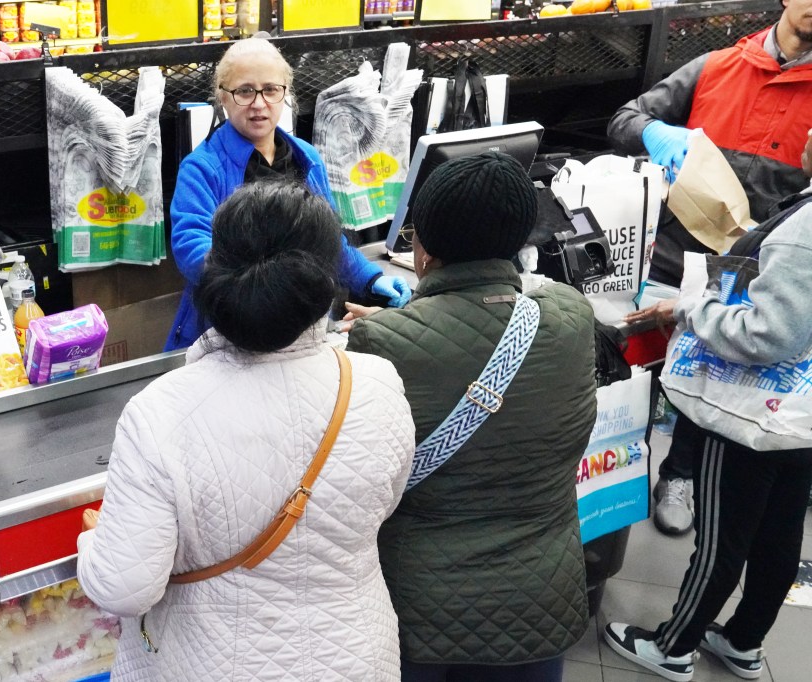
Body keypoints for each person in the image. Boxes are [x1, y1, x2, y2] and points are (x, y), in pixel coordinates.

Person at [77, 180, 415, 682]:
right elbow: (379, 506)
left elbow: (124, 589)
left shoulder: (159, 414)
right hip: (356, 661)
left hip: (210, 664)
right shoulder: (375, 383)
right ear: (323, 281)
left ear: (216, 274)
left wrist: (94, 544)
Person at [345, 153, 597, 681]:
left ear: (424, 248)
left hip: (422, 605)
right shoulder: (573, 314)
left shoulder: (381, 343)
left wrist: (402, 325)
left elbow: (365, 482)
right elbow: (475, 331)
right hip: (540, 598)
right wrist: (412, 320)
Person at [607, 0, 812, 535]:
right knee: (631, 374)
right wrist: (656, 133)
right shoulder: (716, 67)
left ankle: (681, 476)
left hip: (752, 281)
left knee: (710, 385)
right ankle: (614, 473)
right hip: (667, 257)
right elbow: (625, 119)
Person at [605, 183, 812, 682]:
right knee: (780, 535)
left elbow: (768, 334)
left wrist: (688, 310)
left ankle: (674, 646)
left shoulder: (806, 229)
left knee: (722, 538)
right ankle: (744, 641)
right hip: (802, 417)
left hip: (749, 414)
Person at [164, 36, 411, 351]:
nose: (258, 103)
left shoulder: (306, 158)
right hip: (226, 329)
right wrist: (259, 286)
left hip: (299, 324)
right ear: (222, 98)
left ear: (285, 95)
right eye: (244, 91)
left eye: (270, 90)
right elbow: (191, 248)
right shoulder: (201, 169)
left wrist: (371, 278)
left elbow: (327, 239)